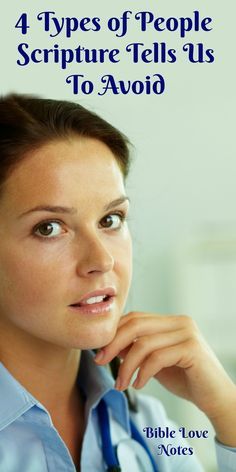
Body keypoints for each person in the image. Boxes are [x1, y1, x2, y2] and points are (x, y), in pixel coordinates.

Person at [0, 93, 235, 472]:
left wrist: (228, 410)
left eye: (111, 219)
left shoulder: (145, 424)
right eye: (49, 228)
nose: (102, 260)